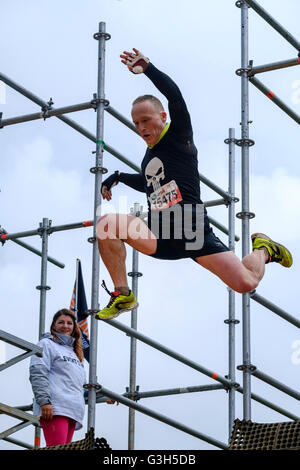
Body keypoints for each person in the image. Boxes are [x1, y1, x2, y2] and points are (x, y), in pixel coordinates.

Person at [95, 48, 293, 321]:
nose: (141, 127)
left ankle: (263, 248)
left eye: (146, 120)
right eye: (136, 122)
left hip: (192, 232)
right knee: (106, 224)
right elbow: (149, 185)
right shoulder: (150, 156)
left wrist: (148, 68)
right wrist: (118, 176)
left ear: (162, 118)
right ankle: (123, 294)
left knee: (246, 283)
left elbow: (175, 97)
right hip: (160, 234)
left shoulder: (178, 136)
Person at [29, 309, 86, 447]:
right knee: (56, 447)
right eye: (61, 322)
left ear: (74, 327)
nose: (65, 326)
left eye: (69, 323)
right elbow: (38, 372)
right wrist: (44, 402)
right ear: (53, 325)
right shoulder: (46, 344)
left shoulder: (75, 353)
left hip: (74, 410)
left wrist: (101, 395)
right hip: (55, 407)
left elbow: (81, 386)